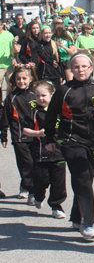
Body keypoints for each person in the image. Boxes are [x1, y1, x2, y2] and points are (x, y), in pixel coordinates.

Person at [44, 52, 94, 239]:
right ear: (71, 69)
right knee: (82, 178)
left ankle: (76, 217)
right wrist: (49, 139)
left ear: (91, 68)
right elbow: (51, 115)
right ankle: (88, 222)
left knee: (86, 180)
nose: (80, 70)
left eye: (84, 66)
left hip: (93, 141)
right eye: (76, 67)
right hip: (70, 140)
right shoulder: (64, 90)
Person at [23, 81, 67, 218]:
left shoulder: (60, 111)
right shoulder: (33, 112)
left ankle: (56, 206)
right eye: (37, 96)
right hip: (40, 153)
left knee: (58, 182)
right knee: (41, 179)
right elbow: (25, 130)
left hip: (59, 153)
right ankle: (38, 195)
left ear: (52, 95)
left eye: (43, 95)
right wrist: (38, 133)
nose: (40, 98)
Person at [0, 64, 37, 204]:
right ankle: (32, 191)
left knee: (35, 164)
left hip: (35, 135)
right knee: (25, 164)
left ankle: (25, 185)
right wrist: (4, 135)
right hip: (19, 137)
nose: (21, 81)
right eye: (18, 79)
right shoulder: (11, 97)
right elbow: (5, 118)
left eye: (24, 78)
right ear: (14, 80)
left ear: (30, 79)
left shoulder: (35, 94)